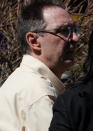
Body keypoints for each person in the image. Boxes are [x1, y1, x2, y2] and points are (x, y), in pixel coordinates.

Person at [0, 0, 79, 130]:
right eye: (64, 31)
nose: (75, 38)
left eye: (75, 30)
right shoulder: (39, 94)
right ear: (34, 41)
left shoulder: (23, 82)